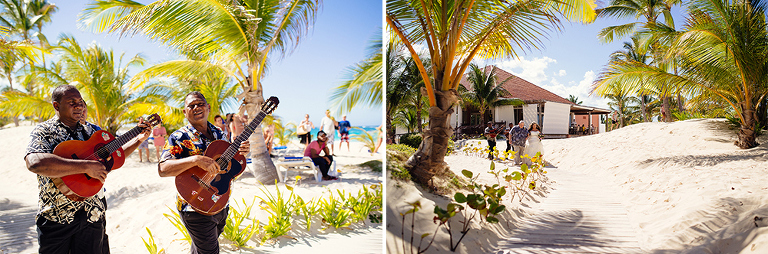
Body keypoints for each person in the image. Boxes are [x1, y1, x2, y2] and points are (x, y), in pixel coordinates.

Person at [25, 84, 152, 254]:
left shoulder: (92, 132)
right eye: (72, 102)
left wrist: (138, 139)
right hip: (56, 218)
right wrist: (85, 166)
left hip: (92, 217)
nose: (79, 106)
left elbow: (115, 156)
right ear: (56, 106)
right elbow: (35, 162)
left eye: (81, 102)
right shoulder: (44, 131)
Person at [158, 91, 250, 254]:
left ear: (208, 107)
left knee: (201, 250)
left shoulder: (220, 133)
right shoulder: (179, 137)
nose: (196, 107)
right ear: (185, 112)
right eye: (191, 106)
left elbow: (228, 166)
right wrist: (195, 160)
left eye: (200, 104)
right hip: (194, 205)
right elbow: (163, 169)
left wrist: (241, 153)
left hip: (220, 202)